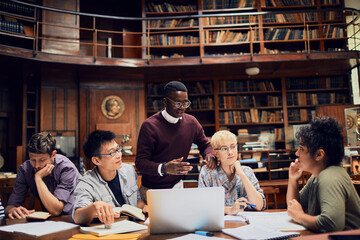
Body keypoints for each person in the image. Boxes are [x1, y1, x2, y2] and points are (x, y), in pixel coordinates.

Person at [135, 81, 216, 201]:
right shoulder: (149, 126)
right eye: (177, 103)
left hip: (177, 187)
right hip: (151, 191)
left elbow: (205, 144)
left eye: (185, 102)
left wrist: (209, 155)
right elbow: (140, 163)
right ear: (165, 101)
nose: (182, 107)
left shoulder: (191, 122)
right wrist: (164, 168)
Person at [286, 116, 360, 233]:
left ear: (319, 155)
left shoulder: (329, 177)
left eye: (301, 148)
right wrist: (293, 179)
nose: (296, 153)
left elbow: (332, 224)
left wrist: (300, 216)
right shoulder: (316, 177)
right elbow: (293, 207)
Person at [72, 130, 146, 226]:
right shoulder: (86, 183)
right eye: (112, 153)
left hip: (134, 227)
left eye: (118, 149)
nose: (119, 155)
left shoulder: (129, 170)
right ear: (96, 160)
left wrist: (145, 206)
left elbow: (137, 202)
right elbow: (77, 217)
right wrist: (94, 207)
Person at [5, 131, 80, 219]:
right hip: (49, 219)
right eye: (33, 159)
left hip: (74, 218)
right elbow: (10, 206)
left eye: (42, 160)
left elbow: (56, 210)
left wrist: (38, 178)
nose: (36, 166)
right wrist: (12, 209)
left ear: (53, 155)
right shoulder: (25, 169)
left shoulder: (66, 168)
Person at [198, 130, 265, 215]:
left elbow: (259, 205)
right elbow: (202, 207)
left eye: (233, 147)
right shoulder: (208, 172)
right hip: (218, 224)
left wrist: (242, 175)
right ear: (216, 154)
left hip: (244, 223)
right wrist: (229, 210)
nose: (230, 152)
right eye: (224, 149)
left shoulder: (246, 171)